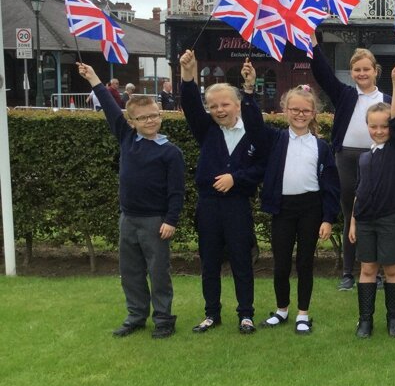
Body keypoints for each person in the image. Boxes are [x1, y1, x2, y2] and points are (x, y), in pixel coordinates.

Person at [77, 62, 185, 339]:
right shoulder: (127, 139)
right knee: (131, 272)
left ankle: (163, 319)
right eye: (143, 118)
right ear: (132, 122)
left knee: (158, 273)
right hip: (128, 218)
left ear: (161, 116)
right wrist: (94, 79)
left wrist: (171, 220)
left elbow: (176, 191)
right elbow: (110, 108)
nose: (150, 121)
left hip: (155, 222)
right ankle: (136, 315)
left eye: (154, 116)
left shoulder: (170, 153)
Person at [241, 63, 340, 336]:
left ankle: (303, 314)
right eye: (294, 109)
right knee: (281, 261)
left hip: (311, 208)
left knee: (305, 262)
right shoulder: (274, 139)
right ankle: (282, 309)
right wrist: (248, 91)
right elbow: (252, 126)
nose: (299, 114)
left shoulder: (321, 146)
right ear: (285, 111)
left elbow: (331, 184)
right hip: (282, 208)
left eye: (305, 110)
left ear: (313, 113)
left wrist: (328, 218)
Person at [179, 49, 265, 334]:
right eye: (213, 106)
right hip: (209, 206)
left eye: (224, 104)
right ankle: (211, 313)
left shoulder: (253, 130)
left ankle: (246, 314)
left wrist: (235, 178)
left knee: (241, 259)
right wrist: (188, 74)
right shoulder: (207, 130)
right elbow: (190, 105)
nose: (219, 110)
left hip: (237, 205)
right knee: (210, 261)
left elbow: (260, 169)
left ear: (237, 104)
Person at [309, 35, 390, 292]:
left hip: (376, 161)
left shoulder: (387, 99)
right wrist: (313, 44)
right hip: (345, 158)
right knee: (349, 216)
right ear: (352, 73)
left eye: (366, 69)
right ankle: (347, 272)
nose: (362, 73)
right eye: (357, 69)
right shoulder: (343, 94)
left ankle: (374, 271)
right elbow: (322, 74)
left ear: (375, 71)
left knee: (373, 216)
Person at [349, 64, 395, 337]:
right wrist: (352, 221)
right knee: (367, 268)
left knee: (392, 268)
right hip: (365, 220)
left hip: (390, 219)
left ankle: (394, 320)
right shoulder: (364, 157)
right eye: (374, 126)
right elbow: (360, 191)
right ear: (368, 127)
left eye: (384, 126)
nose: (379, 130)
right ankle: (365, 320)